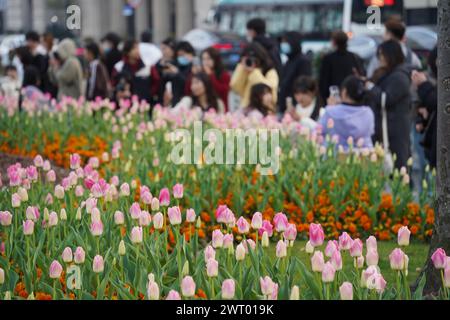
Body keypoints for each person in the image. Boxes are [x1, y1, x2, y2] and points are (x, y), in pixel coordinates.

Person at [367, 40, 412, 169]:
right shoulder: (393, 74)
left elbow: (385, 99)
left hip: (395, 129)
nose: (380, 58)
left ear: (391, 55)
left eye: (382, 55)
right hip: (388, 128)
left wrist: (371, 87)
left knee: (398, 166)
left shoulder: (399, 77)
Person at [319, 75, 375, 149]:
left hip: (334, 157)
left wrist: (330, 107)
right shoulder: (368, 112)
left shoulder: (331, 112)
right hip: (362, 157)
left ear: (344, 92)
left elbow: (319, 130)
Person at [319, 31, 365, 103]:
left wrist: (325, 99)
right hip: (350, 97)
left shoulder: (328, 59)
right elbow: (360, 74)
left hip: (333, 97)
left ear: (334, 42)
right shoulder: (353, 57)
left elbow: (323, 81)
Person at [230, 42, 279, 110]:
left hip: (264, 111)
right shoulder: (244, 70)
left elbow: (271, 93)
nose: (251, 62)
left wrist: (254, 72)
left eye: (254, 59)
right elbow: (235, 86)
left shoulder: (270, 72)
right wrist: (241, 68)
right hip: (246, 109)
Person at [412, 46, 437, 168]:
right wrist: (422, 118)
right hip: (430, 137)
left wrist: (423, 85)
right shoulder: (433, 79)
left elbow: (437, 102)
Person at [278, 31, 312, 113]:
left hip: (295, 108)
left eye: (285, 42)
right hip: (285, 106)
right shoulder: (289, 60)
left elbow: (304, 86)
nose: (282, 44)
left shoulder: (303, 61)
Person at [162, 41, 196, 106]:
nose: (181, 58)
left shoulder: (194, 68)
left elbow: (187, 82)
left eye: (183, 55)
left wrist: (177, 73)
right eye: (179, 55)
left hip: (188, 101)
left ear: (191, 54)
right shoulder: (176, 65)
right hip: (174, 101)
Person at [199, 47, 230, 112]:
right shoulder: (200, 74)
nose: (205, 62)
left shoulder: (224, 74)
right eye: (203, 59)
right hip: (203, 109)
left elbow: (222, 92)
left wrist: (211, 75)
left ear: (215, 59)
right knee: (197, 121)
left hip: (220, 109)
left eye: (208, 58)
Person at [155, 38, 177, 105]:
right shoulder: (158, 63)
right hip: (161, 98)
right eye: (161, 49)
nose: (162, 51)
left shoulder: (178, 63)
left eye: (164, 48)